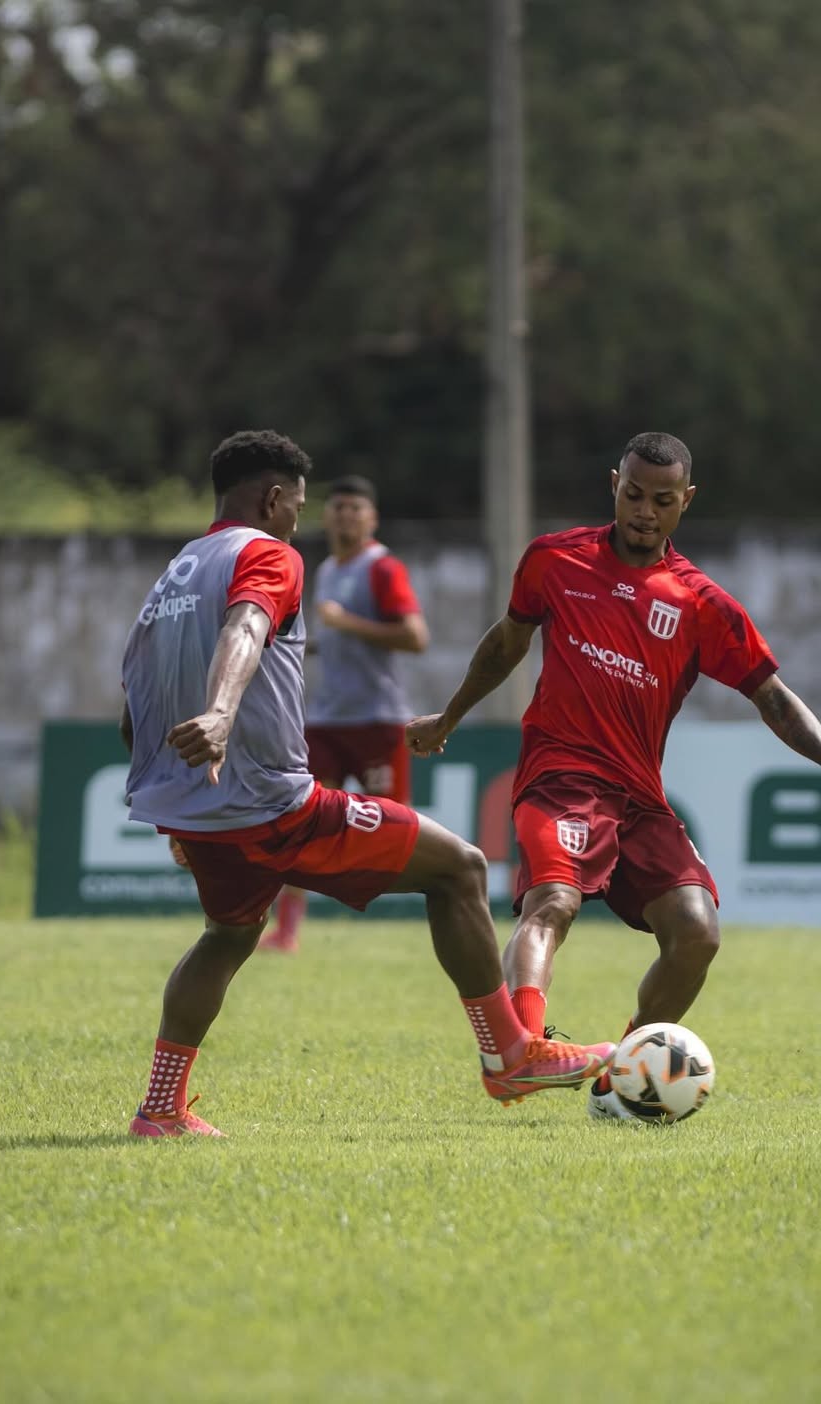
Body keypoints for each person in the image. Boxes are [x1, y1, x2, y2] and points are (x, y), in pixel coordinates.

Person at [119, 428, 614, 1137]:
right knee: (460, 868)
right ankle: (510, 1052)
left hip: (201, 806)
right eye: (298, 503)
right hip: (271, 802)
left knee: (228, 935)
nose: (303, 517)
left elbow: (133, 693)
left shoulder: (177, 571)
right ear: (274, 497)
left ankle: (161, 1107)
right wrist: (224, 711)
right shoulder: (268, 553)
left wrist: (172, 801)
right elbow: (249, 626)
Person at [406, 430, 821, 1123]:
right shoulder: (555, 559)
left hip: (640, 798)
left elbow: (772, 695)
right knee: (554, 901)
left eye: (662, 500)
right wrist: (450, 715)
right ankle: (520, 1052)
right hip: (561, 776)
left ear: (685, 502)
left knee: (697, 934)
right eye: (634, 494)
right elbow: (507, 642)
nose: (644, 510)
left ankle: (624, 1073)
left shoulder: (701, 604)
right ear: (614, 484)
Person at [259, 474, 429, 953]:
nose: (346, 516)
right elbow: (335, 637)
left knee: (394, 828)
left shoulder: (383, 568)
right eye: (338, 507)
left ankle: (438, 907)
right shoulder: (328, 568)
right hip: (326, 722)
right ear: (325, 515)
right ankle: (287, 931)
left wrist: (344, 624)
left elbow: (416, 637)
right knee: (300, 820)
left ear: (372, 518)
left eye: (356, 508)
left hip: (377, 721)